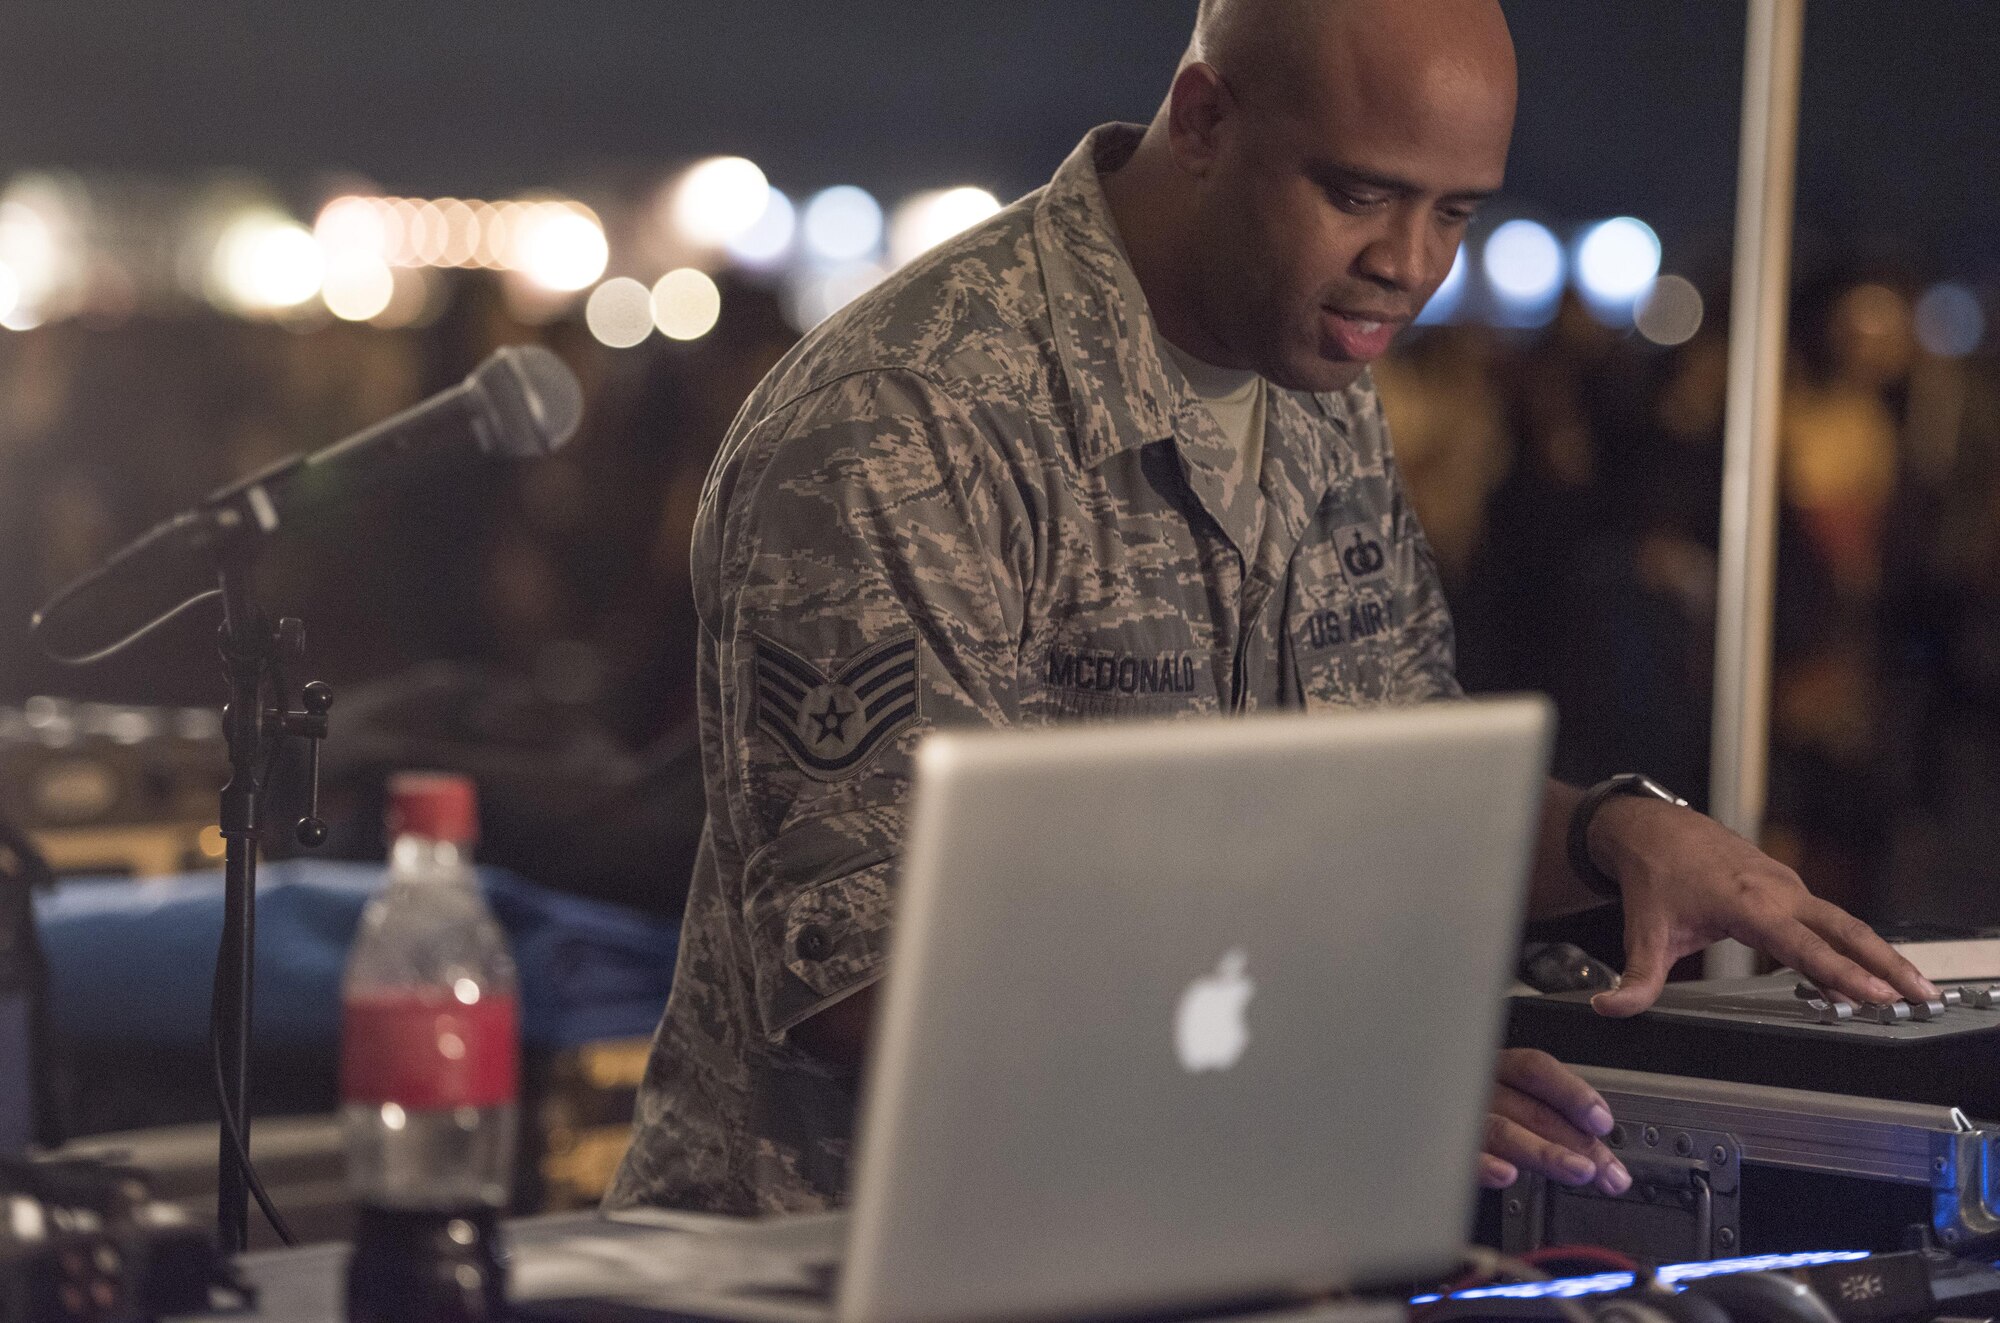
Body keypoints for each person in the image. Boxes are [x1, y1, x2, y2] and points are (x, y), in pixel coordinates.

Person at [606, 0, 1937, 1216]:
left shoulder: (1306, 370)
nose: (1407, 266)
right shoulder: (909, 418)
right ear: (1202, 119)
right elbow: (874, 985)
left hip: (1180, 1232)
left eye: (1455, 215)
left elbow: (1381, 802)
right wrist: (1333, 1081)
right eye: (1361, 194)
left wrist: (1613, 836)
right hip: (841, 1263)